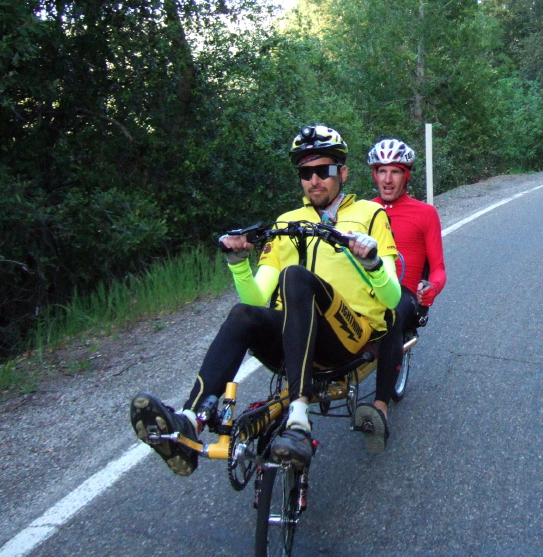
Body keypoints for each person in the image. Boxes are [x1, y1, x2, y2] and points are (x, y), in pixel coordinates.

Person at [130, 124, 401, 475]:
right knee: (244, 314)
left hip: (346, 338)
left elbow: (393, 297)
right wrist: (238, 264)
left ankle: (299, 420)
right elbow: (258, 299)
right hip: (294, 341)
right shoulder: (287, 223)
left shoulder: (370, 215)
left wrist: (373, 263)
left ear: (343, 173)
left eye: (324, 170)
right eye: (306, 172)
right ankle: (189, 422)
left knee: (295, 277)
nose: (314, 180)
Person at [353, 138, 446, 453]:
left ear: (406, 175)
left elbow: (439, 269)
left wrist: (430, 288)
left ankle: (379, 406)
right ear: (373, 175)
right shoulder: (361, 211)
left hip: (404, 293)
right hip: (362, 290)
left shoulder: (425, 213)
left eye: (395, 171)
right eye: (382, 171)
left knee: (389, 312)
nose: (388, 179)